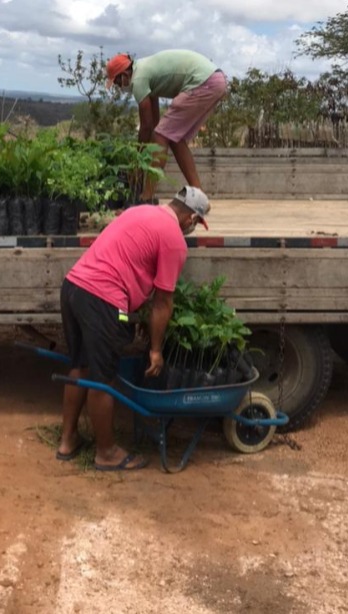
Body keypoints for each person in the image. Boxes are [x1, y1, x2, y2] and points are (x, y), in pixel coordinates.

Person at [57, 186, 210, 471]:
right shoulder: (174, 239)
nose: (192, 228)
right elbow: (163, 301)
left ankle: (68, 440)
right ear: (190, 219)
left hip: (74, 286)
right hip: (101, 298)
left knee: (80, 366)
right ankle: (106, 452)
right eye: (196, 223)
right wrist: (155, 350)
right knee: (103, 379)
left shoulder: (140, 211)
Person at [106, 49, 228, 202]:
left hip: (203, 82)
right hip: (215, 81)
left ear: (124, 74)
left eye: (116, 82)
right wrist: (145, 153)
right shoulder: (146, 72)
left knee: (161, 135)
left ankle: (147, 197)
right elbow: (154, 122)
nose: (118, 86)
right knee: (175, 138)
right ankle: (199, 197)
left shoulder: (139, 79)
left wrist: (137, 161)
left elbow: (146, 127)